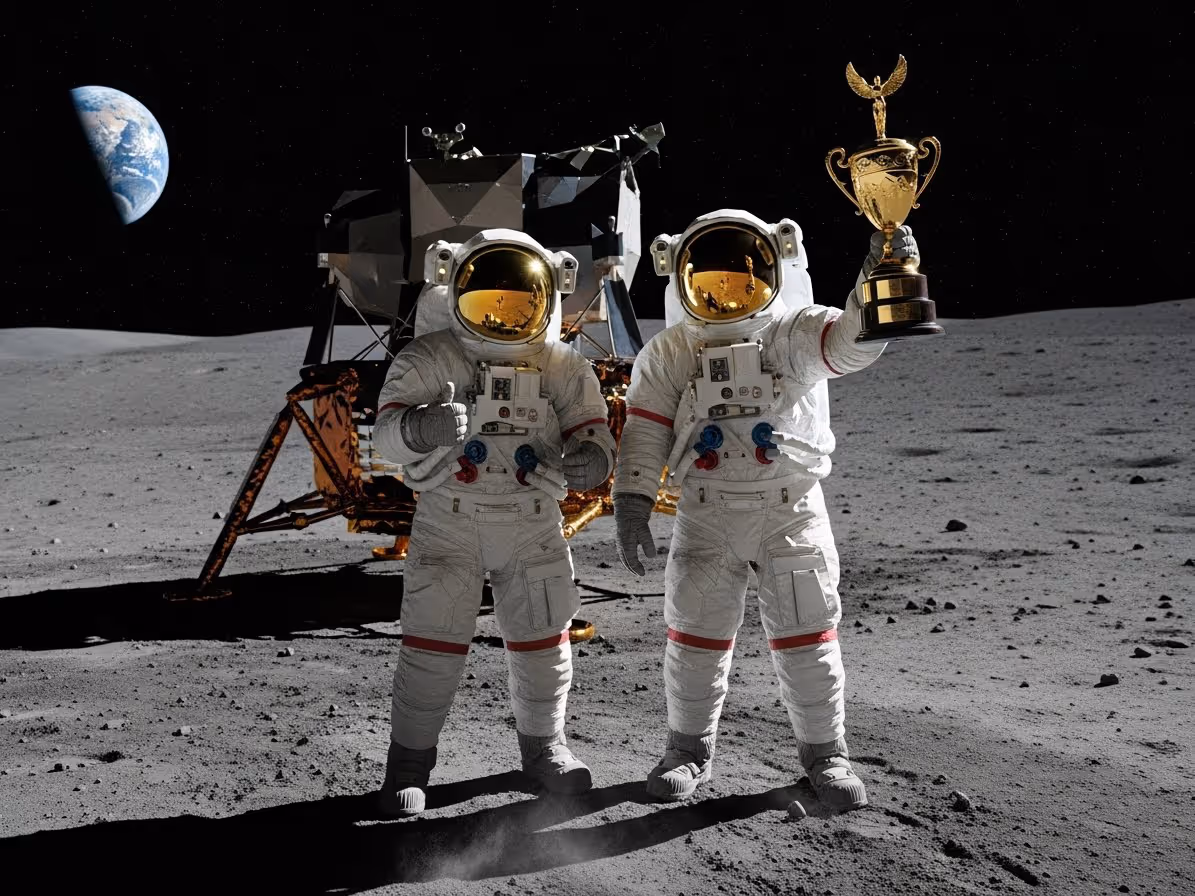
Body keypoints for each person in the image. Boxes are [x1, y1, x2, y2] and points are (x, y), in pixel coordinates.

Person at [611, 209, 920, 811]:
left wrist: (878, 278)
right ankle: (686, 751)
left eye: (740, 278)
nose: (727, 292)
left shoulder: (790, 334)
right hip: (707, 508)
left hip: (789, 507)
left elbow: (850, 343)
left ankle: (827, 756)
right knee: (695, 635)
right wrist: (631, 502)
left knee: (807, 633)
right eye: (712, 280)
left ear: (772, 270)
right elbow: (645, 431)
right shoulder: (673, 351)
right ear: (683, 278)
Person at [371, 229, 616, 817]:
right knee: (433, 644)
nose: (503, 314)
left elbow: (594, 432)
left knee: (543, 642)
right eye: (488, 301)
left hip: (531, 520)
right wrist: (421, 428)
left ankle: (546, 750)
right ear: (455, 290)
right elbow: (384, 438)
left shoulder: (562, 365)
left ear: (546, 296)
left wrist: (591, 459)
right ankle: (409, 765)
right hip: (450, 520)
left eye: (517, 302)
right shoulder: (431, 357)